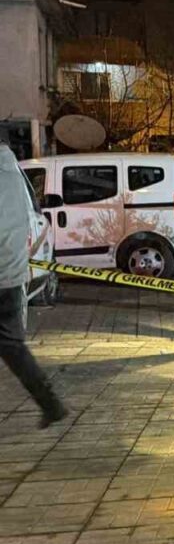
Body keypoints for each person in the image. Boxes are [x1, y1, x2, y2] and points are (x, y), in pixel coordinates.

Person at [0, 144, 68, 430]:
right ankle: (50, 404)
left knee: (12, 347)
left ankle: (51, 405)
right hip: (12, 274)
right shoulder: (11, 170)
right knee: (13, 347)